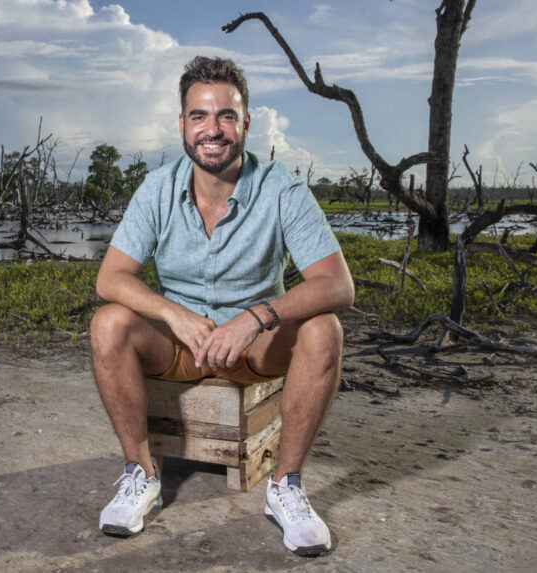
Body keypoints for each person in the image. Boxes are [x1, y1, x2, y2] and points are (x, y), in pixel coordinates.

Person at [90, 56, 354, 557]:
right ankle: (140, 475)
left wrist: (256, 317)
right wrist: (172, 314)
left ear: (246, 123)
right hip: (181, 345)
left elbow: (338, 284)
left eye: (226, 116)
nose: (213, 129)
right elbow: (111, 277)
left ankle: (285, 486)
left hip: (257, 349)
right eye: (199, 116)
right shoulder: (157, 189)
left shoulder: (282, 189)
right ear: (183, 125)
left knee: (325, 329)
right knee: (109, 324)